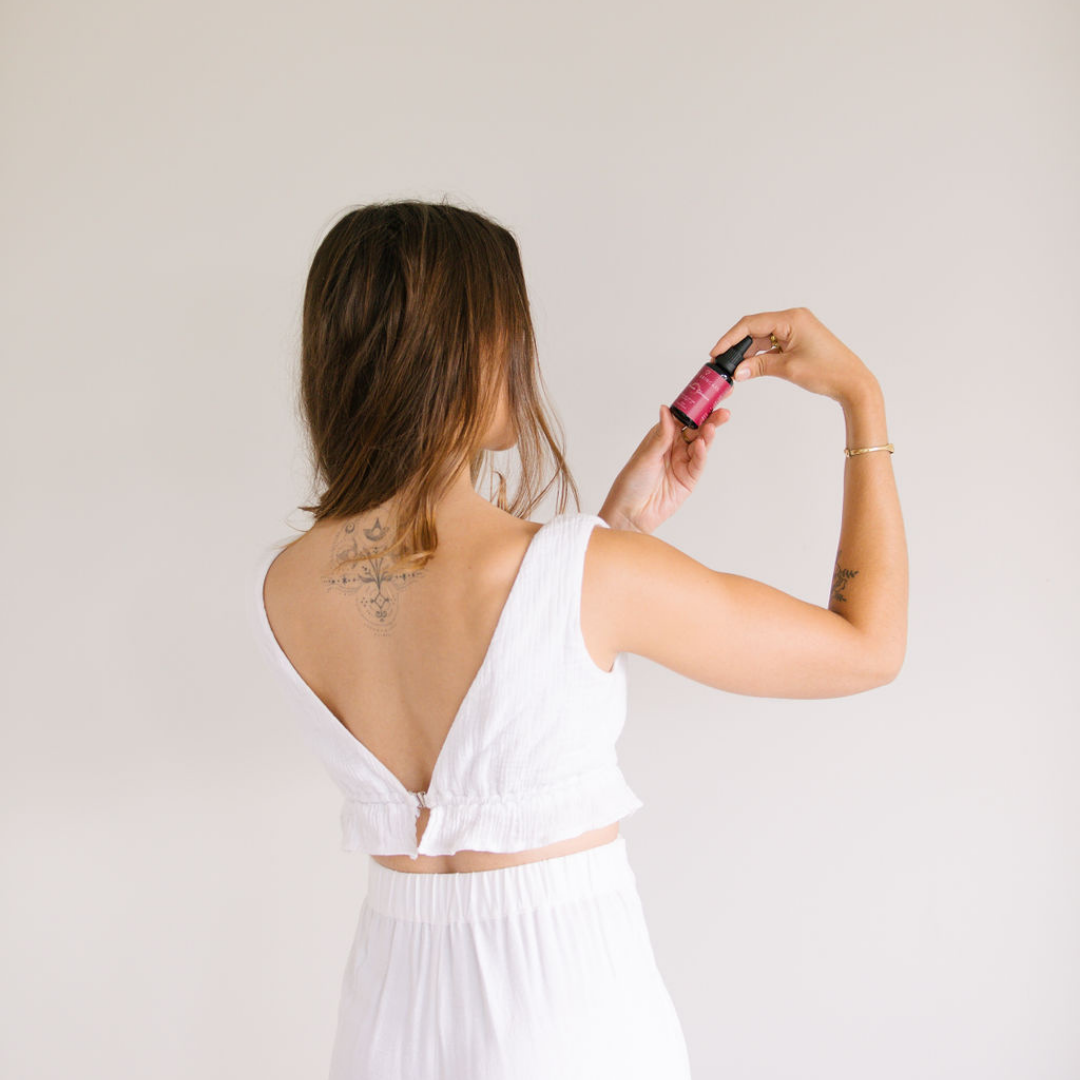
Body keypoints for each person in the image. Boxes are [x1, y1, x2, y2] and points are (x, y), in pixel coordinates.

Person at [250, 199, 908, 1079]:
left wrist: (614, 530)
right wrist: (862, 401)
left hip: (385, 1025)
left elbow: (513, 682)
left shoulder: (286, 586)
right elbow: (868, 646)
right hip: (563, 1023)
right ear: (465, 353)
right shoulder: (588, 574)